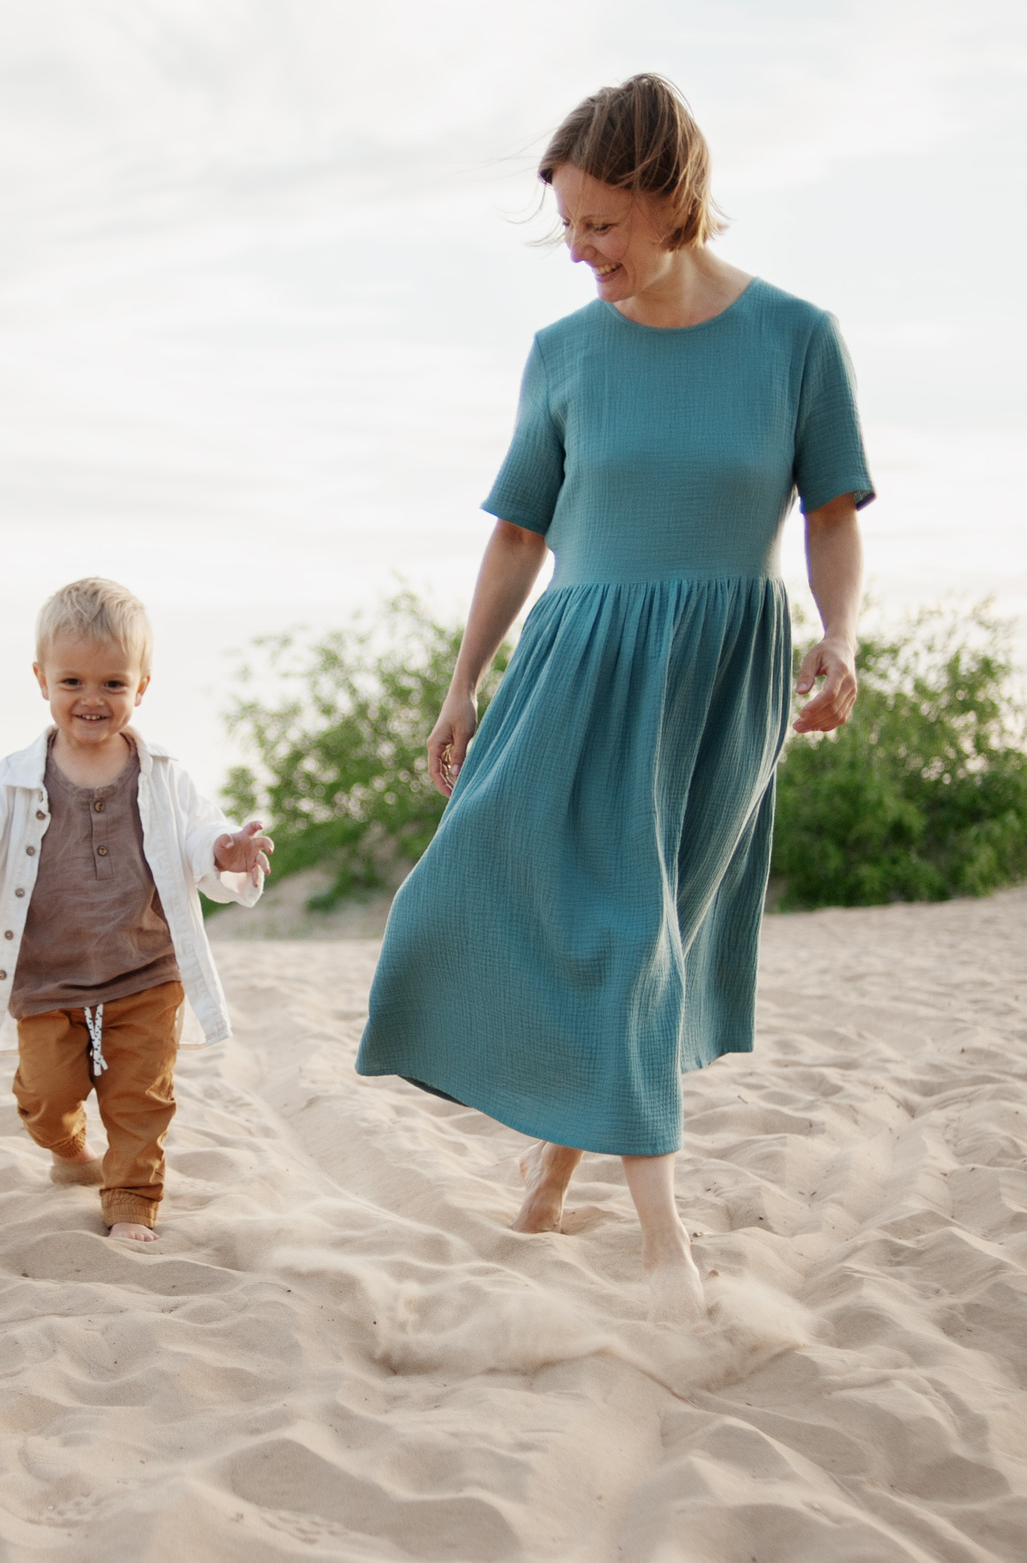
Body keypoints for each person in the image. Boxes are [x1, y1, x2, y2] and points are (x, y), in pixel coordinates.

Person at [354, 74, 871, 1323]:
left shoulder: (797, 339)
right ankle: (662, 1248)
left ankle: (551, 1184)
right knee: (526, 907)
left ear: (669, 196)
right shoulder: (562, 354)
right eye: (569, 225)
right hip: (578, 671)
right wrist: (462, 683)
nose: (580, 251)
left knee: (647, 939)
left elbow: (831, 514)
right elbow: (518, 537)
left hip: (722, 680)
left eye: (600, 223)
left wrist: (840, 639)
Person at [0, 578, 273, 1243]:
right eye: (72, 681)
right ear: (42, 679)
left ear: (143, 685)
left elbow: (196, 834)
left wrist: (226, 850)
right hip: (48, 976)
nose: (91, 700)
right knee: (47, 1093)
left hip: (146, 970)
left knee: (140, 1099)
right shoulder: (17, 777)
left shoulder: (161, 773)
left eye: (112, 684)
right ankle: (70, 1150)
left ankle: (131, 1203)